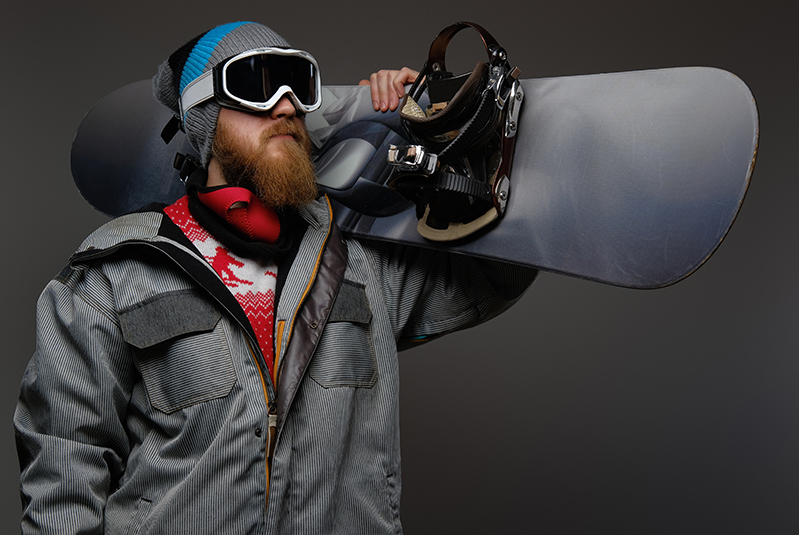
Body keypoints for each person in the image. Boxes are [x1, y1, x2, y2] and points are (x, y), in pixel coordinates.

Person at [14, 21, 536, 534]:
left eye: (298, 86)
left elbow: (495, 277)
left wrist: (433, 133)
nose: (286, 105)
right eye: (257, 86)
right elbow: (65, 476)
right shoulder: (115, 273)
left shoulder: (360, 258)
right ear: (205, 120)